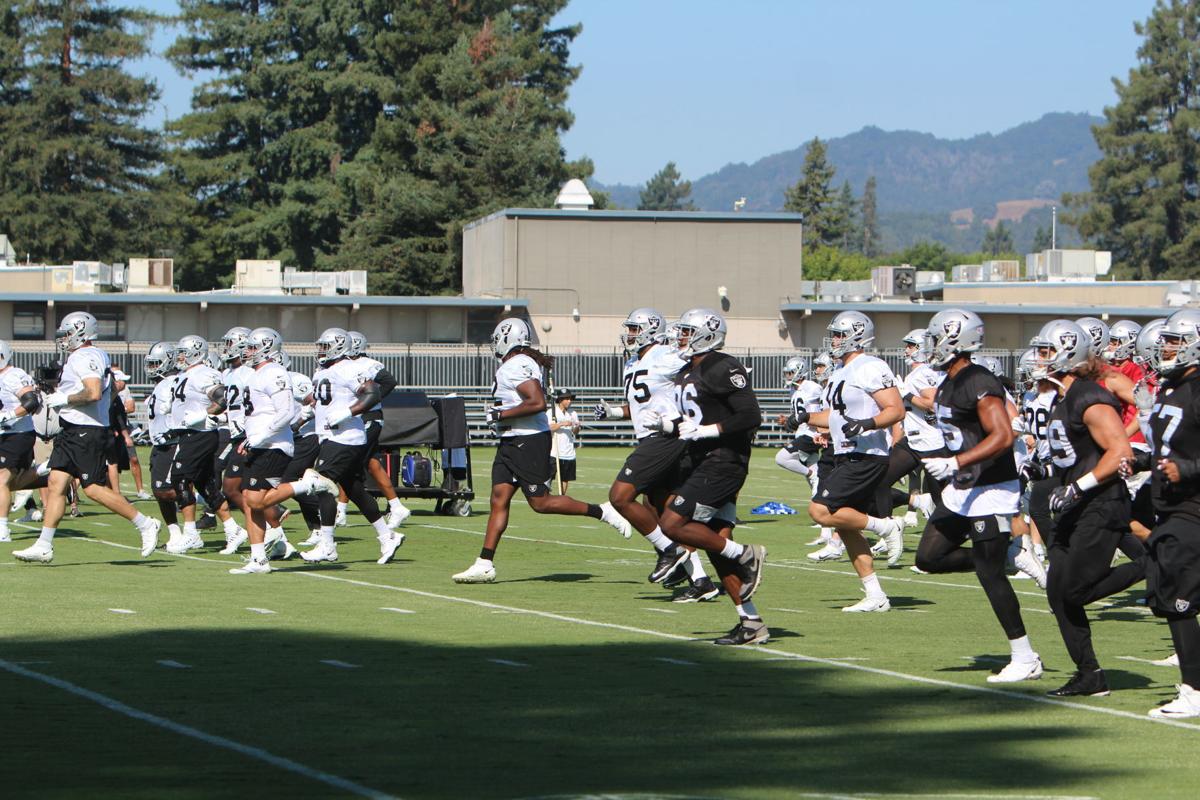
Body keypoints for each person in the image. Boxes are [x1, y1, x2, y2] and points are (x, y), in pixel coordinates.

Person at [915, 309, 1043, 683]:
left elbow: (1003, 435)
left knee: (989, 575)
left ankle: (1025, 656)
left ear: (957, 340)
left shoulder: (978, 379)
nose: (930, 345)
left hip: (992, 488)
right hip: (964, 485)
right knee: (929, 558)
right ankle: (1008, 552)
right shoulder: (947, 383)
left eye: (935, 337)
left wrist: (955, 461)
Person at [452, 318, 631, 584]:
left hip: (528, 441)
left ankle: (602, 511)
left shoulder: (516, 365)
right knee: (498, 499)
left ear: (507, 338)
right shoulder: (518, 363)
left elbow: (536, 402)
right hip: (512, 441)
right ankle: (485, 563)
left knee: (541, 503)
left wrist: (501, 414)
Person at [1032, 319, 1144, 697]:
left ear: (1067, 353)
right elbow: (1076, 454)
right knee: (1057, 592)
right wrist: (1044, 468)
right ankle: (1090, 674)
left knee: (1072, 591)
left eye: (1046, 351)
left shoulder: (1088, 396)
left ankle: (1151, 565)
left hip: (1101, 503)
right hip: (1075, 502)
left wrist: (1078, 486)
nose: (1039, 358)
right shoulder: (1063, 397)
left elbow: (1120, 451)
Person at [641, 309, 767, 642]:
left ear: (706, 334)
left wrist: (709, 430)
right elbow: (693, 423)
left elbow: (751, 414)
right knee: (714, 545)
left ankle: (746, 555)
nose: (678, 337)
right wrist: (667, 425)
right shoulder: (687, 371)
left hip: (723, 461)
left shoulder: (722, 365)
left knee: (671, 524)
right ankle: (751, 623)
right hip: (701, 460)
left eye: (685, 332)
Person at [14, 312, 161, 563]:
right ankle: (44, 544)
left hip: (86, 431)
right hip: (74, 429)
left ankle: (146, 523)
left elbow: (93, 392)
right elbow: (110, 390)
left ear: (82, 332)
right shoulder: (94, 355)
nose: (64, 339)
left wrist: (66, 399)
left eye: (68, 333)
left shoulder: (85, 356)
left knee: (92, 489)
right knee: (56, 484)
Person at [253, 328, 402, 565]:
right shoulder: (325, 371)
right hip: (331, 437)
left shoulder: (350, 368)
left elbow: (372, 393)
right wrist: (303, 416)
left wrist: (349, 411)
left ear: (339, 346)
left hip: (345, 437)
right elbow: (321, 399)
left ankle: (328, 544)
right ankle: (387, 535)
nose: (320, 350)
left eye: (325, 346)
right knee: (353, 489)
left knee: (321, 485)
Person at [598, 308, 718, 603]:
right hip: (651, 437)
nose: (629, 335)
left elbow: (697, 363)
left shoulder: (665, 354)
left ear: (651, 330)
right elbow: (641, 404)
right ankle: (701, 580)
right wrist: (614, 412)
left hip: (666, 437)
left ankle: (670, 550)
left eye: (634, 329)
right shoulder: (632, 362)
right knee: (658, 509)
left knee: (619, 497)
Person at [799, 310, 905, 611]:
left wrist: (869, 424)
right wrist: (807, 418)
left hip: (866, 453)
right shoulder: (840, 371)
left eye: (839, 334)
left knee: (820, 510)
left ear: (857, 336)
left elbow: (895, 409)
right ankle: (876, 596)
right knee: (845, 525)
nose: (834, 340)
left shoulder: (870, 366)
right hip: (844, 452)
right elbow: (835, 416)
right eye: (833, 334)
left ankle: (886, 527)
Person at [1142, 309, 1200, 717]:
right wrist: (1140, 459)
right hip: (1170, 503)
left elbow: (1188, 459)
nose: (1167, 348)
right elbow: (1168, 449)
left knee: (1176, 598)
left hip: (1193, 507)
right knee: (1169, 593)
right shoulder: (1170, 387)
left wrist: (1190, 469)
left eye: (1176, 341)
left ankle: (1194, 690)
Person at [227, 327, 296, 575]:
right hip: (257, 443)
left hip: (273, 445)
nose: (247, 351)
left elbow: (288, 411)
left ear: (267, 347)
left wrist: (259, 437)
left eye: (253, 347)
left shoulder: (274, 372)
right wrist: (249, 438)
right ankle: (258, 559)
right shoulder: (253, 374)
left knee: (255, 500)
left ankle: (306, 484)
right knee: (248, 501)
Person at [347, 331, 411, 528]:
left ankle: (340, 510)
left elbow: (389, 381)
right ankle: (397, 506)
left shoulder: (368, 364)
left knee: (347, 463)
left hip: (368, 417)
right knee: (373, 463)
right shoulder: (345, 366)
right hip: (356, 418)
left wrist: (370, 400)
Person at [0, 340, 41, 543]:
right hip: (4, 434)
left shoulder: (13, 375)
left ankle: (2, 529)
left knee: (2, 480)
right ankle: (42, 471)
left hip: (17, 434)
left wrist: (7, 415)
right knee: (10, 483)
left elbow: (32, 401)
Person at [143, 342, 184, 547]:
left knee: (166, 490)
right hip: (158, 443)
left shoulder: (174, 382)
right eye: (150, 364)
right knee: (159, 491)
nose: (152, 368)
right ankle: (175, 533)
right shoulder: (160, 384)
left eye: (156, 363)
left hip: (173, 442)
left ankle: (210, 502)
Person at [550, 389, 581, 493]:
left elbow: (575, 432)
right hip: (554, 452)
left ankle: (561, 498)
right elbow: (548, 428)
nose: (569, 401)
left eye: (570, 399)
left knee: (565, 479)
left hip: (569, 452)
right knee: (548, 477)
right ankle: (545, 497)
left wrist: (577, 427)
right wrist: (562, 424)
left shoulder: (573, 413)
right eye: (567, 399)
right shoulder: (552, 412)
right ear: (560, 400)